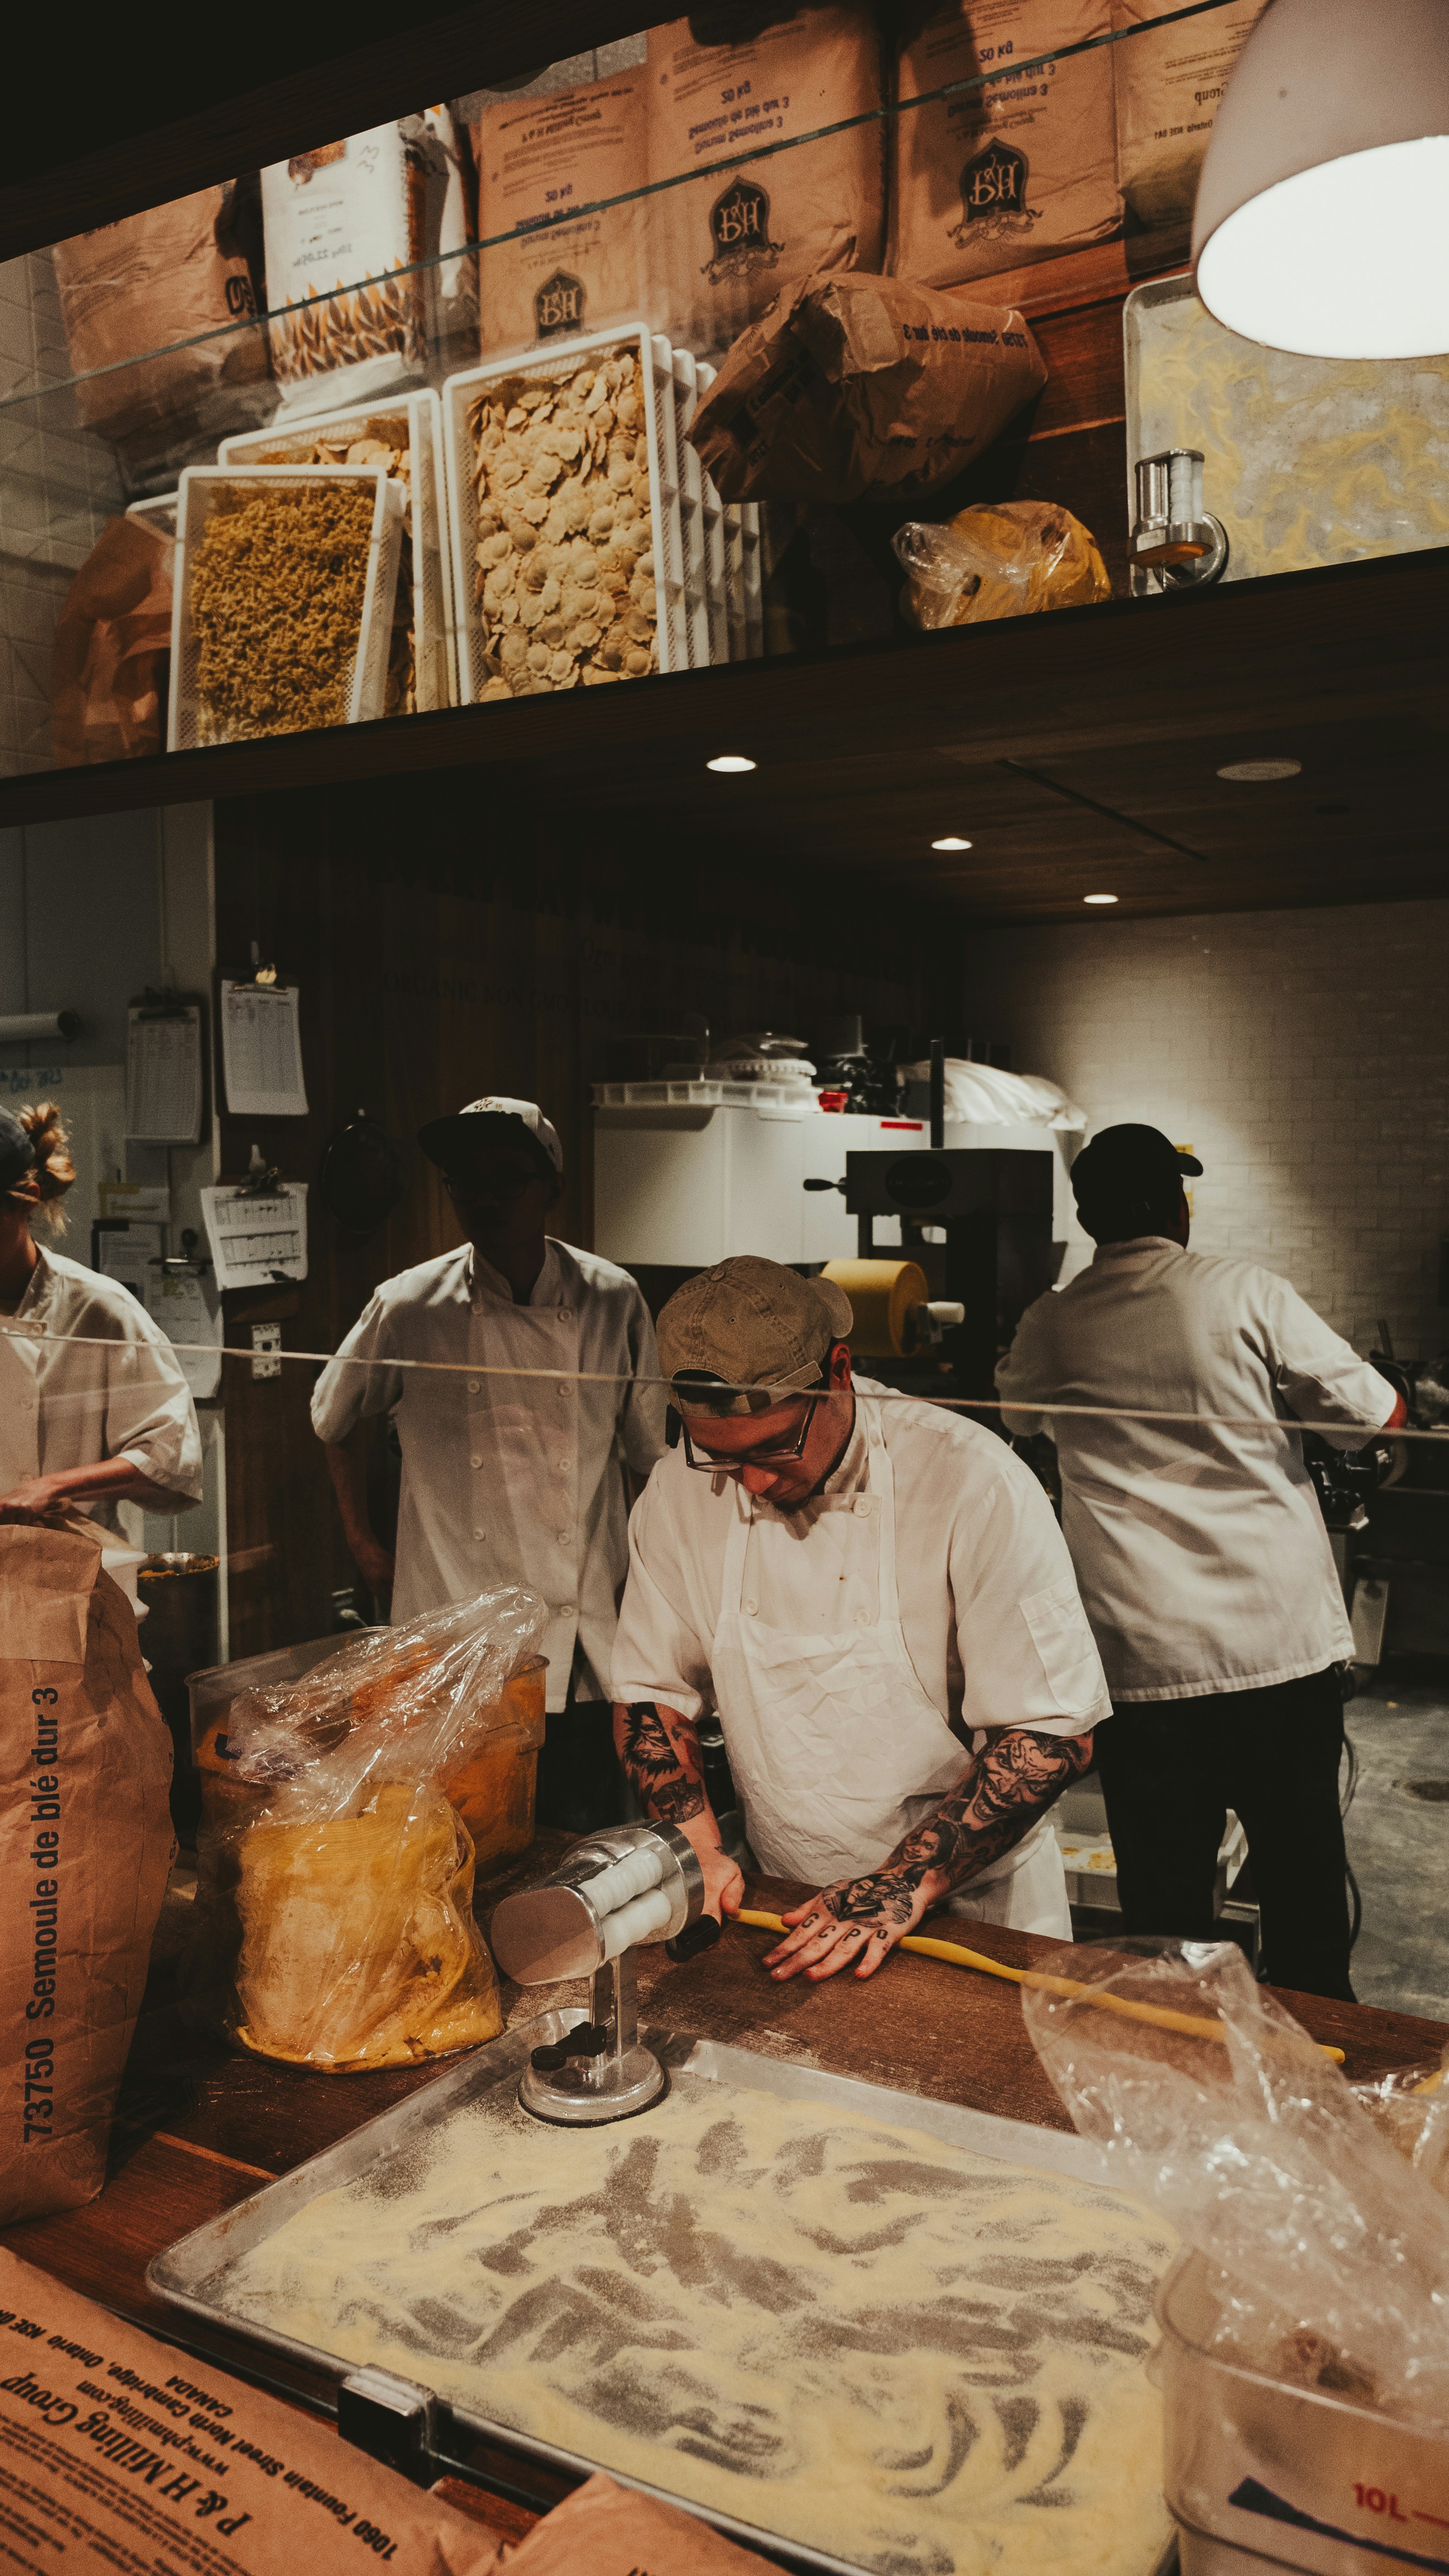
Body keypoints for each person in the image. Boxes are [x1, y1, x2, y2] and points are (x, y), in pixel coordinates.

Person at [610, 1255, 1110, 1981]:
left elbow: (1053, 1731)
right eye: (719, 1457)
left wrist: (902, 1881)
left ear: (838, 1370)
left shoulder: (972, 1480)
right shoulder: (676, 1493)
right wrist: (698, 1844)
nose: (749, 1481)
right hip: (781, 1902)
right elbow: (652, 1690)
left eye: (773, 1448)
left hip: (974, 1917)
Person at [996, 1121, 1404, 2002]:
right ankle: (1319, 2065)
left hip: (1144, 1664)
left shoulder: (1053, 1319)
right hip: (1275, 1655)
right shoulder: (1244, 1291)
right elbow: (1373, 1416)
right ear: (1173, 1206)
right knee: (1300, 1884)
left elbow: (1015, 1416)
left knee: (1164, 1910)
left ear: (1086, 1213)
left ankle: (1182, 2078)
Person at [313, 1096, 667, 1827]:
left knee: (574, 1837)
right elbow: (333, 1417)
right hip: (449, 1629)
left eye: (508, 1176)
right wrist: (361, 1541)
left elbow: (646, 1456)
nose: (486, 1197)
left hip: (582, 1636)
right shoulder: (409, 1303)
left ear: (552, 1189)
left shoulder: (612, 1298)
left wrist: (657, 1591)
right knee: (454, 1839)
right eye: (466, 1181)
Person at [0, 1102, 203, 1530]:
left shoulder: (96, 1308)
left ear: (26, 1201)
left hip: (68, 1571)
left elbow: (170, 1454)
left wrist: (54, 1486)